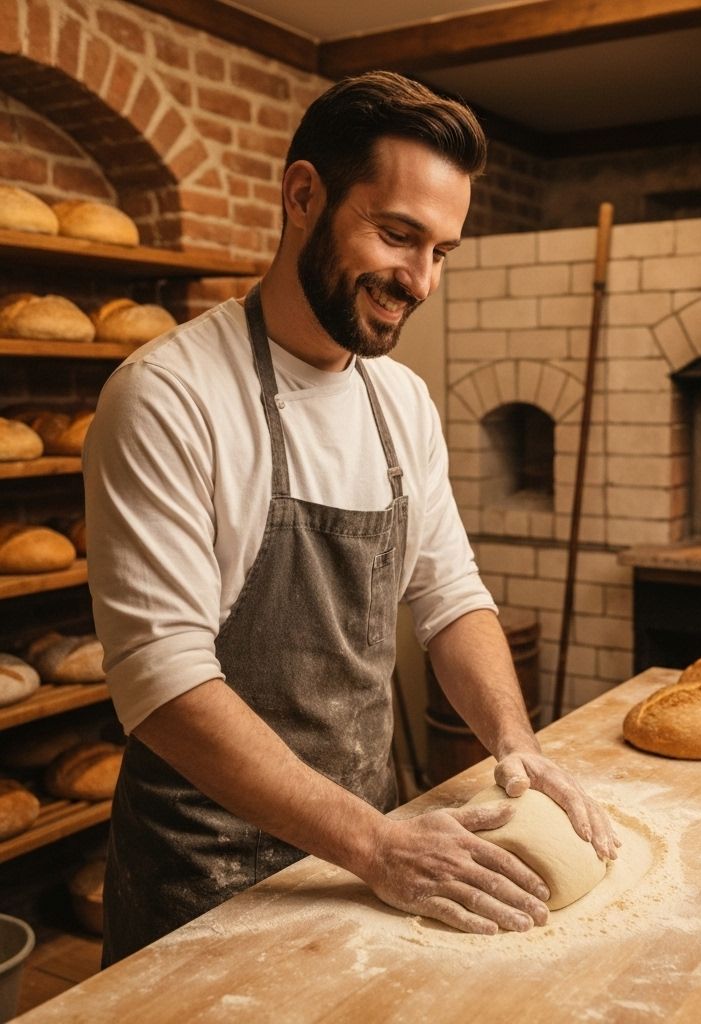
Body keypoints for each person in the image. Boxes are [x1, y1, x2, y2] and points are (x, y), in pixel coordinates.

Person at [84, 70, 617, 966]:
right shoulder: (169, 397)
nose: (419, 279)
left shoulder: (399, 400)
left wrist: (516, 744)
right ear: (303, 196)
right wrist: (375, 846)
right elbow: (162, 686)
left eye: (443, 250)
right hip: (208, 882)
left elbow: (450, 595)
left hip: (376, 857)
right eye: (398, 235)